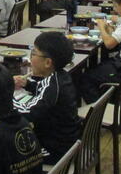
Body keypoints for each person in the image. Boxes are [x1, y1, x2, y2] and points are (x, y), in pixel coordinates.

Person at [13, 32, 80, 162]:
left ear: (48, 62)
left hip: (54, 150)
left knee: (5, 149)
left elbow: (28, 112)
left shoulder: (53, 85)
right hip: (66, 141)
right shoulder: (61, 76)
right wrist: (26, 84)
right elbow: (43, 90)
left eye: (34, 53)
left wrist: (4, 95)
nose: (30, 58)